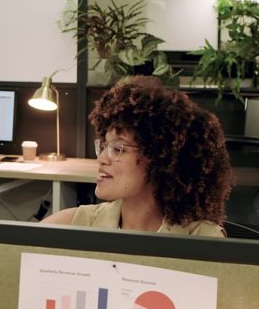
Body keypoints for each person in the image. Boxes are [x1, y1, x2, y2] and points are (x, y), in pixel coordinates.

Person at [42, 76, 231, 236]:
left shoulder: (202, 238)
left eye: (118, 149)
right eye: (104, 146)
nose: (102, 159)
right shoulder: (74, 225)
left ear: (158, 158)